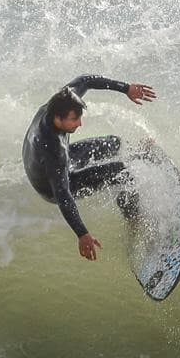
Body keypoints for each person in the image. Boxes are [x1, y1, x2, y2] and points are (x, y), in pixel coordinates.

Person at [22, 74, 156, 261]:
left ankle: (136, 154)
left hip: (54, 160)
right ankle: (135, 221)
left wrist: (126, 88)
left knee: (113, 143)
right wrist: (82, 234)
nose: (80, 123)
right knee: (121, 172)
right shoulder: (53, 150)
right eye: (74, 119)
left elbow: (86, 80)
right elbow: (63, 195)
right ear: (58, 119)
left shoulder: (61, 100)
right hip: (51, 187)